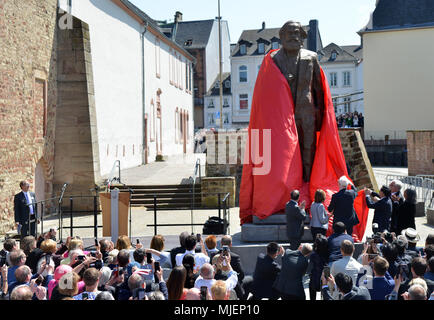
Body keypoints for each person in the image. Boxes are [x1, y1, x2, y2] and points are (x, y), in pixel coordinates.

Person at [308, 234, 329, 300]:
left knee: (311, 285)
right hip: (325, 278)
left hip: (315, 280)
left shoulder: (313, 255)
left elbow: (310, 268)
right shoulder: (328, 254)